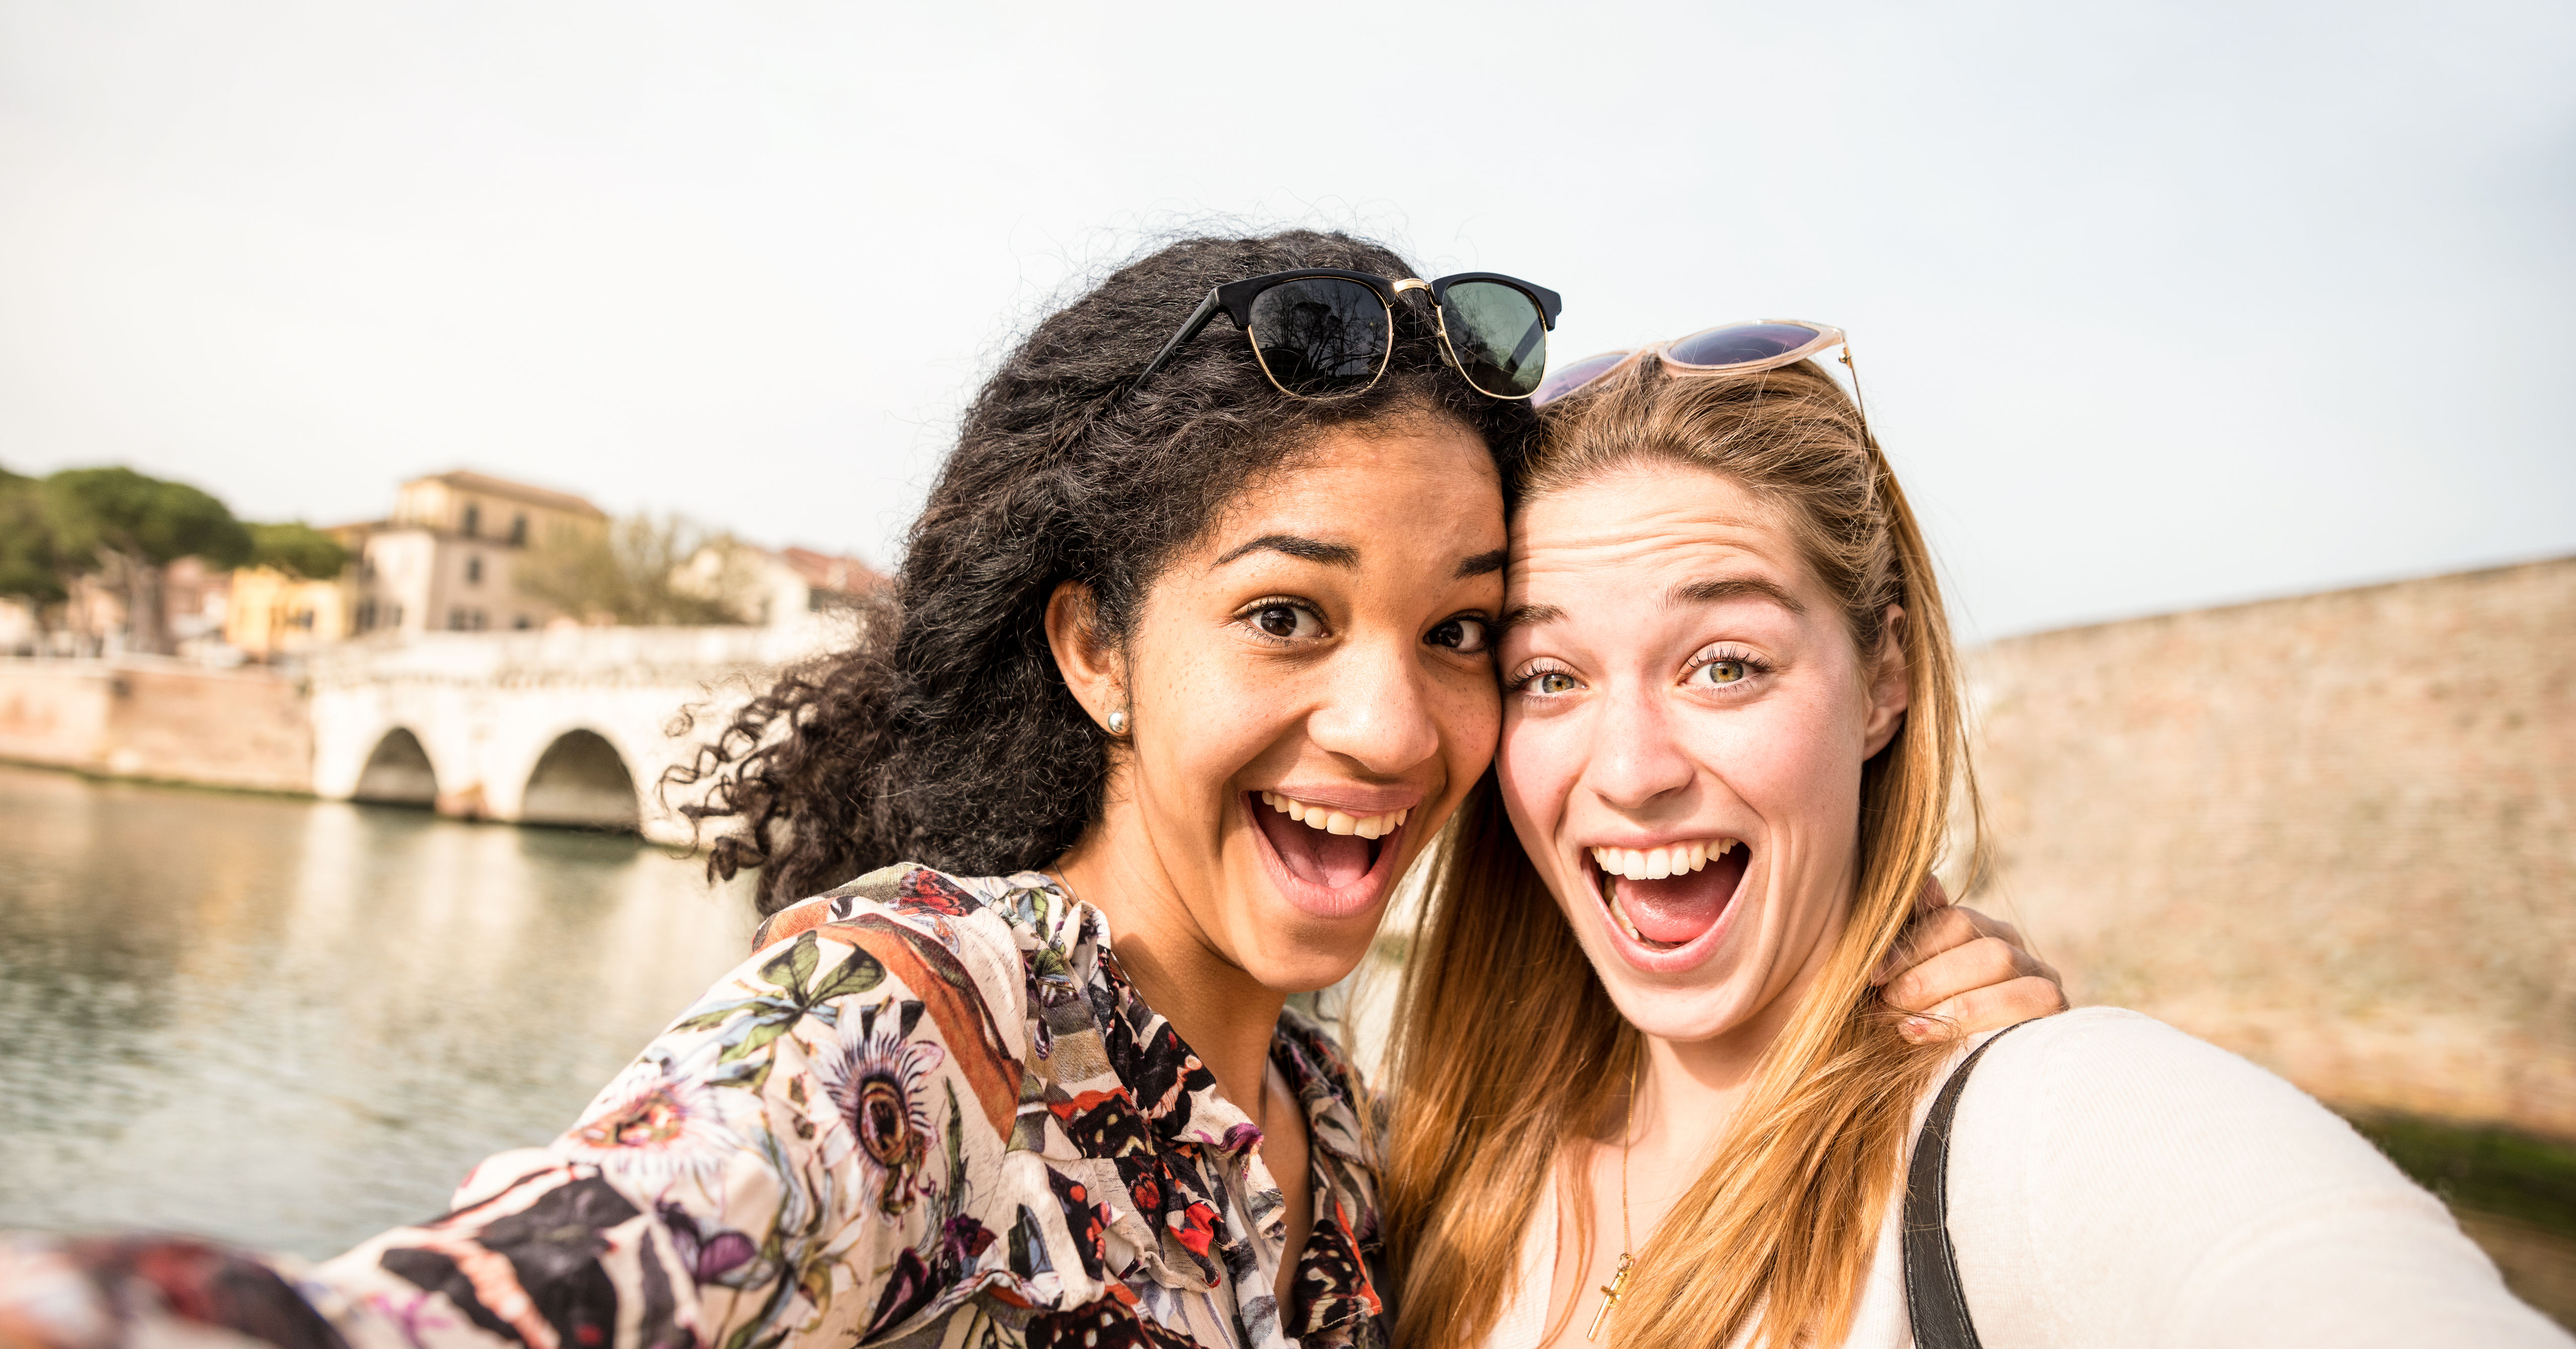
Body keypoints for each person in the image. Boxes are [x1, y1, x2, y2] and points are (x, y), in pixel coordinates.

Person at [0, 239, 2061, 1349]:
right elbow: (495, 1289)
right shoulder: (908, 1028)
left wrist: (1891, 1008)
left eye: (1458, 631)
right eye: (1286, 614)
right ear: (1094, 650)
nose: (1393, 724)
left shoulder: (1336, 1128)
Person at [1378, 329, 2568, 1348]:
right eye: (1549, 675)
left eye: (1726, 665)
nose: (1633, 770)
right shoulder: (1429, 1171)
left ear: (1885, 678)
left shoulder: (2044, 1128)